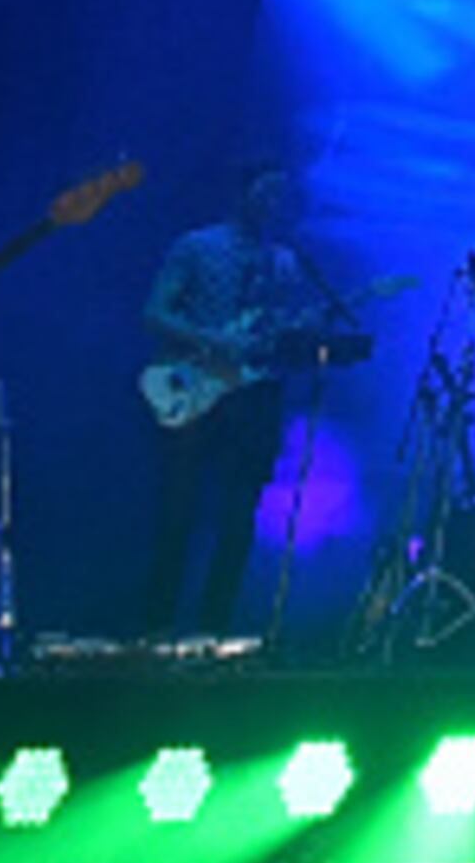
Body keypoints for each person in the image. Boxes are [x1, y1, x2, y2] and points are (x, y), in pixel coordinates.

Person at [137, 162, 337, 641]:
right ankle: (157, 627)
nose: (274, 202)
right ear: (243, 191)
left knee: (238, 519)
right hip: (194, 389)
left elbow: (277, 328)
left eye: (281, 194)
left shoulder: (286, 261)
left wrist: (298, 338)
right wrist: (212, 340)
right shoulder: (198, 246)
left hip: (254, 397)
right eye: (266, 191)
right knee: (178, 513)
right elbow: (155, 312)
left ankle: (213, 631)